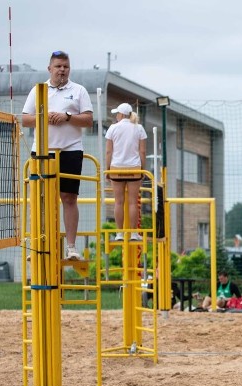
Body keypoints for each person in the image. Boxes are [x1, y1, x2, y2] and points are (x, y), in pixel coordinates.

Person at [22, 50, 94, 261]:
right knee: (41, 198)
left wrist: (67, 116)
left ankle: (71, 247)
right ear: (50, 69)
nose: (62, 70)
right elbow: (25, 119)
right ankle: (38, 244)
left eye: (66, 66)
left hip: (71, 149)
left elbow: (89, 120)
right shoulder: (38, 90)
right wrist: (44, 118)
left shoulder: (79, 90)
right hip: (43, 151)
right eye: (58, 66)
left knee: (69, 197)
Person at [105, 102, 147, 241]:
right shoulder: (139, 128)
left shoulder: (113, 128)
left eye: (117, 113)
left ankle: (119, 233)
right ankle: (134, 233)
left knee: (118, 202)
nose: (116, 116)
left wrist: (107, 169)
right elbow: (142, 151)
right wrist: (143, 170)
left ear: (121, 114)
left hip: (116, 167)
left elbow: (109, 151)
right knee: (133, 202)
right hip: (134, 168)